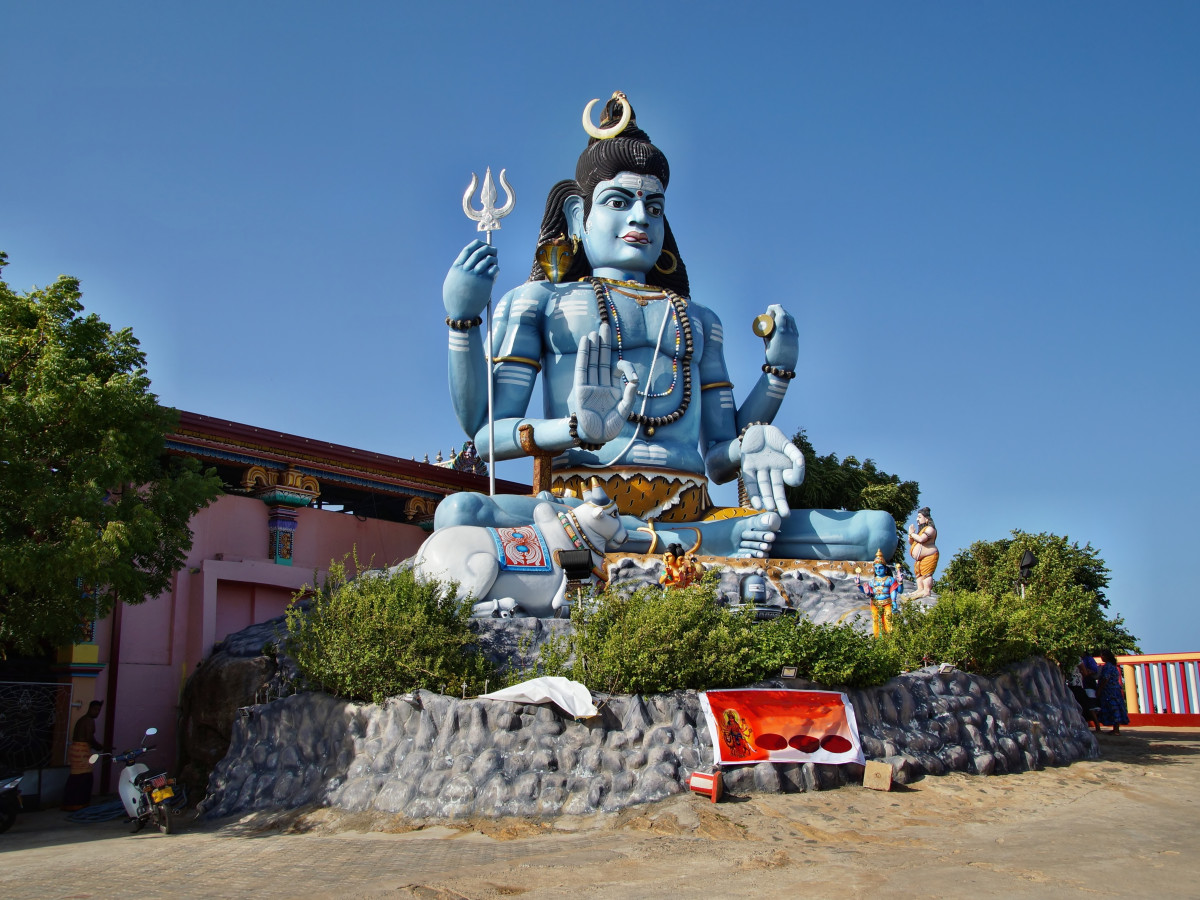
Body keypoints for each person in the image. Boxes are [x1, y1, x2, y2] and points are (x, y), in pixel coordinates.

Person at [437, 91, 896, 563]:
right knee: (461, 513)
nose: (639, 218)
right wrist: (465, 324)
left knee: (875, 531)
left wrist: (776, 375)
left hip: (688, 504)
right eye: (618, 202)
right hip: (582, 504)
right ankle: (694, 546)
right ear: (580, 215)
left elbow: (719, 458)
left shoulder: (698, 320)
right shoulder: (538, 302)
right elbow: (486, 435)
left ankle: (665, 541)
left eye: (653, 208)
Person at [61, 700, 104, 811]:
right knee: (84, 777)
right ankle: (78, 803)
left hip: (79, 750)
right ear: (90, 708)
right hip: (81, 751)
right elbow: (89, 738)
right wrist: (100, 747)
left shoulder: (84, 720)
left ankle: (73, 803)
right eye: (96, 709)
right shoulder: (88, 721)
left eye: (99, 710)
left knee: (77, 776)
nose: (97, 712)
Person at [854, 549, 903, 636]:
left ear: (885, 569)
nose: (878, 570)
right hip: (876, 604)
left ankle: (890, 640)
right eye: (876, 568)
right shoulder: (872, 581)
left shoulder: (890, 579)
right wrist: (859, 585)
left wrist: (900, 582)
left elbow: (899, 590)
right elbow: (869, 593)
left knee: (888, 622)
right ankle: (879, 641)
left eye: (880, 568)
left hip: (887, 603)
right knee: (876, 623)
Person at [907, 507, 938, 598]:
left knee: (926, 574)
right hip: (919, 559)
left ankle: (926, 590)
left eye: (919, 517)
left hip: (929, 555)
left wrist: (912, 534)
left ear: (926, 519)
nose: (917, 519)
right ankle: (920, 589)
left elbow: (921, 539)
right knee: (919, 574)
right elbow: (912, 542)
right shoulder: (921, 531)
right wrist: (911, 534)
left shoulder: (930, 529)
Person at [1097, 649, 1130, 734]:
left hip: (1109, 691)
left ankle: (1116, 730)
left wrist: (1099, 690)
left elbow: (1105, 678)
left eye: (1102, 655)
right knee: (1117, 708)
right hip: (1116, 690)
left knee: (1113, 708)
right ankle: (1116, 729)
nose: (1101, 657)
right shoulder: (1113, 666)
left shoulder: (1107, 666)